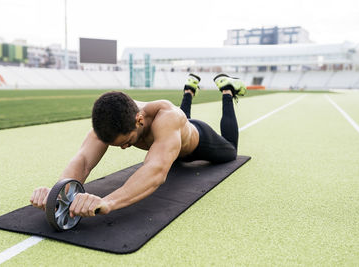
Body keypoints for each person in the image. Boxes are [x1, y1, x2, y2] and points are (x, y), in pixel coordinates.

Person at [30, 73, 246, 218]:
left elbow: (156, 171)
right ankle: (189, 90)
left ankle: (227, 90)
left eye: (127, 142)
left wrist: (108, 202)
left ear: (140, 120)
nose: (124, 148)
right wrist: (60, 192)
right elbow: (84, 161)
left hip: (198, 143)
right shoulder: (108, 119)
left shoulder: (167, 118)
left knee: (231, 151)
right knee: (174, 132)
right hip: (171, 141)